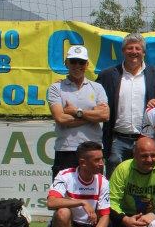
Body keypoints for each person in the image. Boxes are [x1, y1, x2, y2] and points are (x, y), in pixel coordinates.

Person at [46, 141, 124, 227]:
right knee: (63, 212)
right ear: (83, 163)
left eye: (102, 159)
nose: (101, 163)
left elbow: (105, 216)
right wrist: (82, 202)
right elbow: (51, 202)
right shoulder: (65, 176)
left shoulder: (103, 181)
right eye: (97, 160)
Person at [95, 32, 155, 175]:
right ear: (123, 51)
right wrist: (66, 82)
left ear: (143, 52)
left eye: (138, 48)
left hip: (145, 139)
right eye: (130, 48)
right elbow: (90, 92)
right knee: (115, 181)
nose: (134, 52)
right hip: (117, 141)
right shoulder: (108, 75)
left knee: (143, 181)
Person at [47, 45, 110, 177]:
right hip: (66, 149)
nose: (77, 65)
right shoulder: (56, 88)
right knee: (64, 189)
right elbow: (60, 118)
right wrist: (92, 116)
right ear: (66, 63)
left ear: (87, 64)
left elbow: (105, 115)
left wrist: (76, 111)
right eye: (73, 61)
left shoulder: (97, 87)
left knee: (94, 188)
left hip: (93, 149)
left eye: (81, 62)